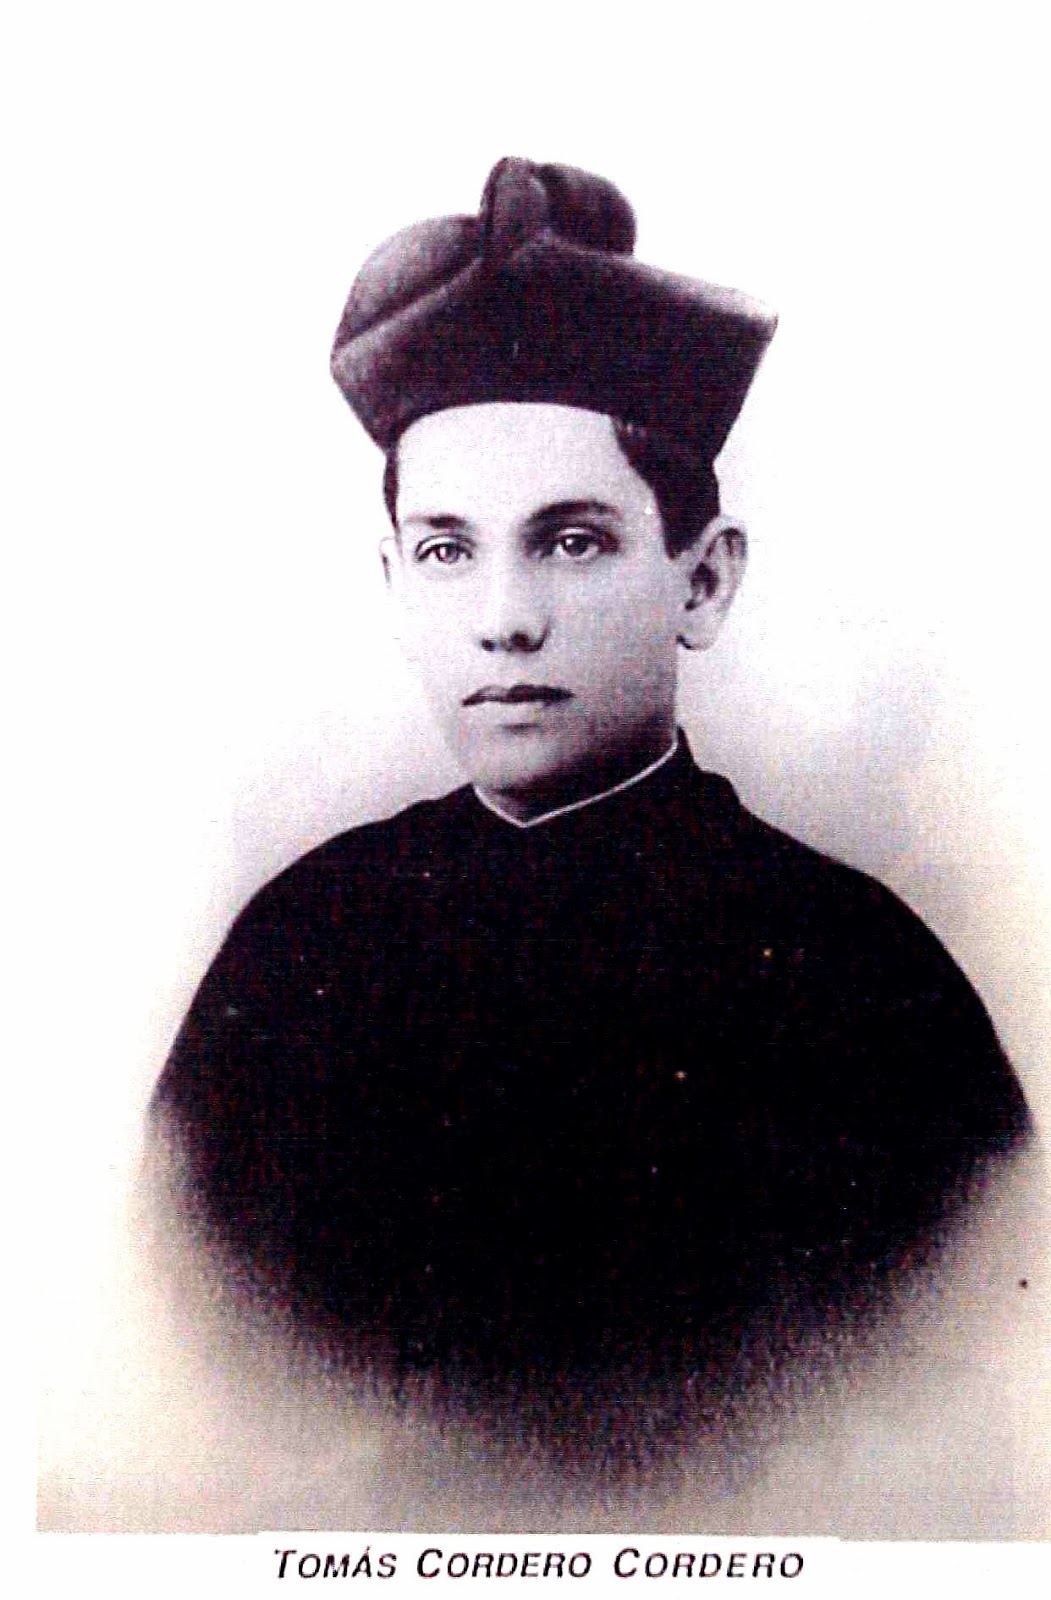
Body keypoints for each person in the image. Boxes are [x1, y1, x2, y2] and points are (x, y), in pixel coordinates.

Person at [149, 157, 1031, 1479]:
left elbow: (950, 1412)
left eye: (571, 541)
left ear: (703, 581)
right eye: (448, 549)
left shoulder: (863, 977)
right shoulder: (298, 945)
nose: (506, 619)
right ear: (395, 586)